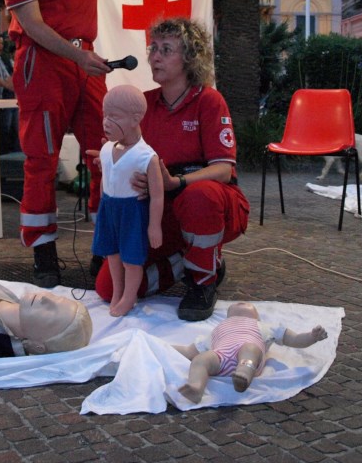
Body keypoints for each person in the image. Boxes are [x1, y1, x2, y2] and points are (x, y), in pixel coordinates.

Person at [94, 18, 250, 321]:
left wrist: (176, 182)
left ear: (190, 58)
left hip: (210, 203)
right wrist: (111, 157)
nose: (155, 57)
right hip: (159, 206)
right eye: (154, 49)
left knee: (199, 195)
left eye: (166, 50)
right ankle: (188, 261)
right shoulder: (143, 104)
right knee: (108, 286)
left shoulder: (209, 101)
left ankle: (202, 281)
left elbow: (222, 169)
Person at [0, 0, 110, 287]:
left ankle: (105, 252)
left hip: (84, 58)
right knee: (42, 161)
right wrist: (78, 56)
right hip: (44, 62)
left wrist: (84, 56)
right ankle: (44, 256)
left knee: (105, 155)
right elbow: (31, 24)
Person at [92, 85, 164, 317]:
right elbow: (106, 178)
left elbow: (157, 194)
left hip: (132, 211)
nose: (106, 122)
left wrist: (154, 226)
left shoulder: (146, 156)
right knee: (112, 254)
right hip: (109, 207)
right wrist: (102, 207)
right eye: (105, 115)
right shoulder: (105, 149)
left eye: (114, 116)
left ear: (135, 119)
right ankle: (118, 291)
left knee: (131, 259)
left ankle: (129, 296)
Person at [173, 302, 328, 403]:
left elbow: (294, 340)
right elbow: (189, 351)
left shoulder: (266, 326)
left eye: (247, 305)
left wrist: (311, 337)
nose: (241, 304)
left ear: (257, 317)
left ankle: (244, 374)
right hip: (219, 357)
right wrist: (161, 346)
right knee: (202, 359)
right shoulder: (216, 330)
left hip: (249, 358)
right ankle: (196, 386)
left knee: (250, 348)